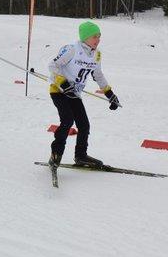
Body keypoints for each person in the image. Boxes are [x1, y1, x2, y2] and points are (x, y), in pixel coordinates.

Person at [47, 21, 121, 168]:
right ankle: (56, 153)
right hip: (59, 91)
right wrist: (63, 83)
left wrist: (110, 94)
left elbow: (98, 75)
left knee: (84, 125)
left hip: (74, 94)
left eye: (99, 36)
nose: (98, 40)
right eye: (95, 36)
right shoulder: (72, 49)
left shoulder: (97, 54)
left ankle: (80, 156)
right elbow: (52, 65)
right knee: (67, 120)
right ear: (85, 37)